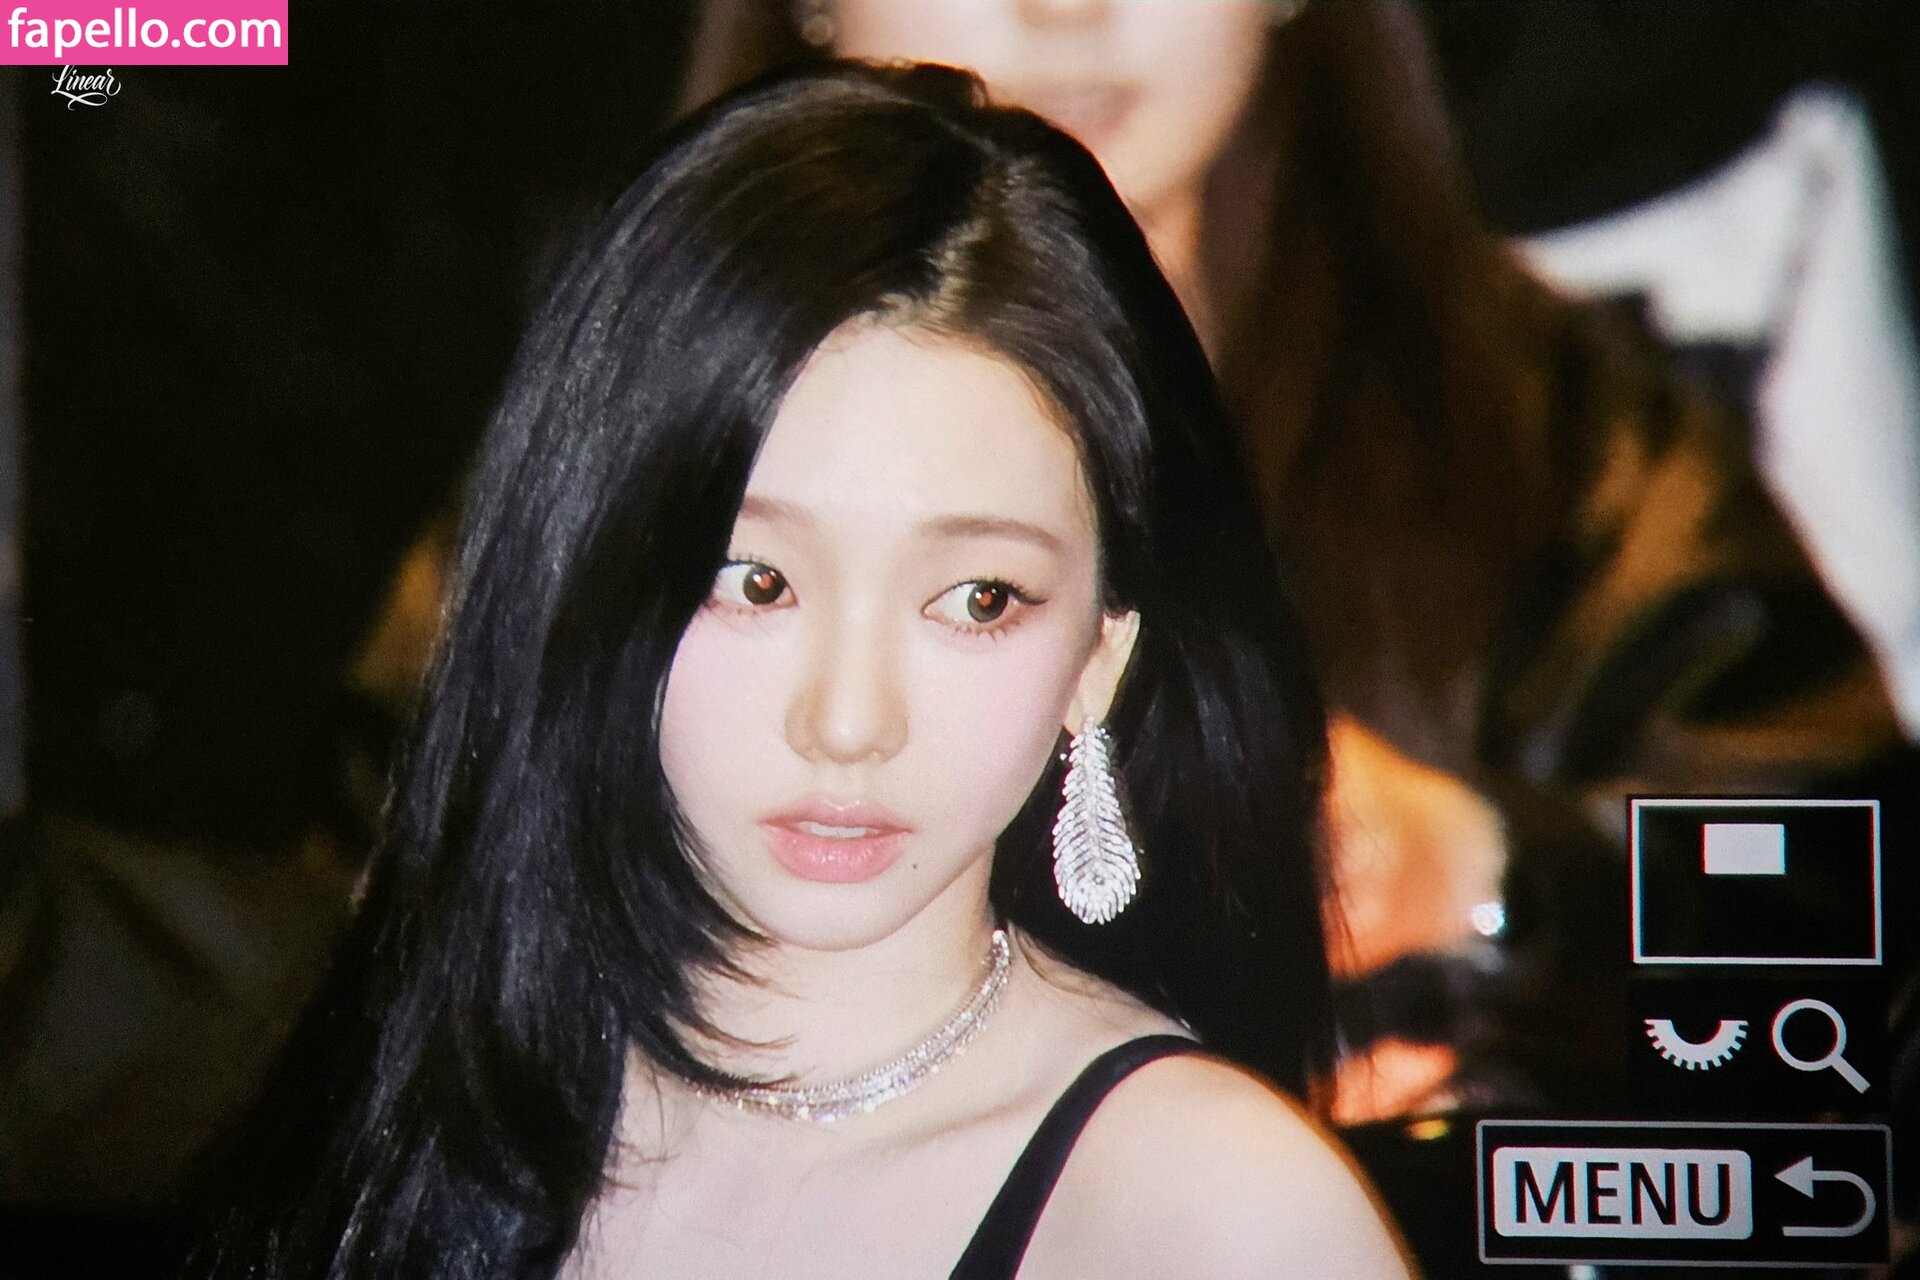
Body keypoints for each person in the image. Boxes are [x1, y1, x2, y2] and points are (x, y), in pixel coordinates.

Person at [194, 61, 1412, 1280]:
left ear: (1101, 654)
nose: (848, 720)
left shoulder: (1216, 1215)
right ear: (596, 580)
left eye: (979, 600)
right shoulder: (422, 1107)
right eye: (757, 581)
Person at [680, 0, 1913, 1125]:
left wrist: (1481, 872)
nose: (1068, 12)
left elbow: (1848, 891)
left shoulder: (1540, 426)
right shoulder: (649, 416)